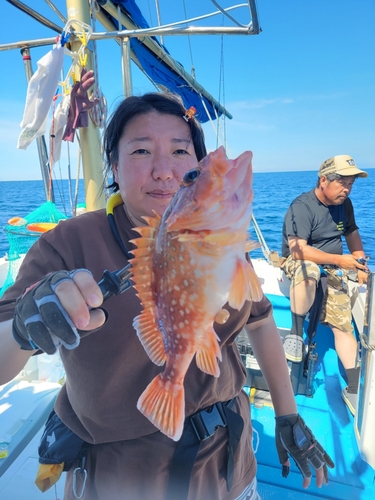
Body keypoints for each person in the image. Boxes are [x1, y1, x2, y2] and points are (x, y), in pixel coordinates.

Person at [0, 92, 333, 500]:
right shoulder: (67, 244)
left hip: (229, 465)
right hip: (122, 479)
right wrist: (21, 330)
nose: (163, 171)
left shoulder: (222, 240)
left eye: (180, 152)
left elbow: (261, 321)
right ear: (115, 168)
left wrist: (288, 415)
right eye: (141, 151)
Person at [281, 154, 369, 416]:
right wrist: (339, 260)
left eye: (351, 183)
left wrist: (359, 262)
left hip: (333, 267)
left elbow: (352, 233)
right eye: (343, 182)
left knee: (343, 325)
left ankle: (354, 388)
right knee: (308, 270)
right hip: (299, 262)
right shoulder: (302, 206)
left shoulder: (346, 204)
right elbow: (298, 250)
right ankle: (297, 333)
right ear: (323, 180)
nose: (347, 189)